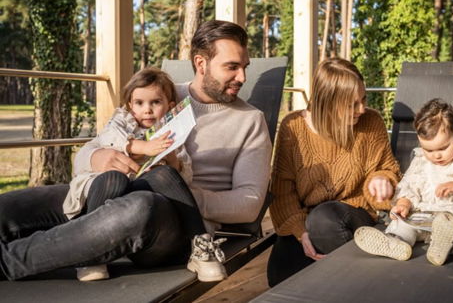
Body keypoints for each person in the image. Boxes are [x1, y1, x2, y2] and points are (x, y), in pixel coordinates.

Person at [0, 20, 272, 283]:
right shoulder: (156, 95)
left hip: (172, 224)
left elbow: (249, 205)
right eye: (232, 67)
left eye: (244, 67)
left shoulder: (250, 120)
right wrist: (99, 157)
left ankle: (10, 261)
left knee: (140, 206)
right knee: (10, 207)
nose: (242, 77)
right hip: (112, 191)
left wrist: (178, 195)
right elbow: (90, 151)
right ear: (201, 63)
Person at [267, 58, 401, 287]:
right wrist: (301, 232)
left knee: (324, 219)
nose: (361, 109)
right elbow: (282, 192)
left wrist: (382, 179)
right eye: (351, 104)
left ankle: (356, 285)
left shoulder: (371, 121)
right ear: (326, 103)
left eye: (363, 99)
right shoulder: (293, 127)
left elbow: (387, 169)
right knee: (280, 275)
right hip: (308, 221)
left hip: (354, 217)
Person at [66, 67, 193, 281]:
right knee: (111, 180)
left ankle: (199, 242)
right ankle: (90, 254)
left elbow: (187, 178)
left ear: (170, 106)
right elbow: (109, 136)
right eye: (140, 103)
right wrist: (142, 147)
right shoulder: (123, 122)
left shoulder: (171, 134)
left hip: (141, 204)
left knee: (163, 177)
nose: (147, 110)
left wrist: (171, 160)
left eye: (156, 102)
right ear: (130, 107)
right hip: (107, 190)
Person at [354, 98, 453, 266]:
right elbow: (409, 185)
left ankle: (442, 246)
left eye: (443, 148)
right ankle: (395, 242)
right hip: (423, 218)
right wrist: (404, 203)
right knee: (402, 224)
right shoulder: (421, 161)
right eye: (429, 149)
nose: (436, 155)